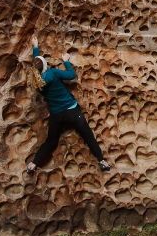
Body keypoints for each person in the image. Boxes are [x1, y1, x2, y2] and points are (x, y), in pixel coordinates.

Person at [25, 35, 111, 173]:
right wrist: (66, 61)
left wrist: (35, 47)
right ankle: (102, 160)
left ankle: (33, 164)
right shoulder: (53, 73)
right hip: (72, 111)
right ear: (45, 66)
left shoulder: (36, 81)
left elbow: (36, 64)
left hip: (56, 115)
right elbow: (71, 75)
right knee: (88, 136)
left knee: (51, 141)